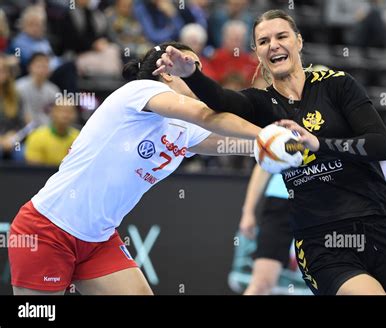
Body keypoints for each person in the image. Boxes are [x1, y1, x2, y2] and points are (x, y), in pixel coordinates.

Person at [154, 9, 386, 295]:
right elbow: (222, 99)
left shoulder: (336, 85)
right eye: (263, 41)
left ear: (299, 41)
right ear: (257, 52)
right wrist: (192, 75)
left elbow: (381, 145)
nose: (274, 45)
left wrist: (319, 144)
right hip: (322, 239)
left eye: (281, 36)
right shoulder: (260, 103)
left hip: (377, 226)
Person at [8, 41, 260, 295]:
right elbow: (208, 116)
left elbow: (233, 142)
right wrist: (268, 134)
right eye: (192, 68)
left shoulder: (184, 126)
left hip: (98, 240)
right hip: (47, 228)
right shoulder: (140, 91)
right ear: (167, 72)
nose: (201, 78)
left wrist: (276, 146)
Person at [239, 164, 294, 295]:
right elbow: (263, 165)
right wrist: (248, 211)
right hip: (281, 203)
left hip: (329, 207)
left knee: (336, 285)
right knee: (261, 284)